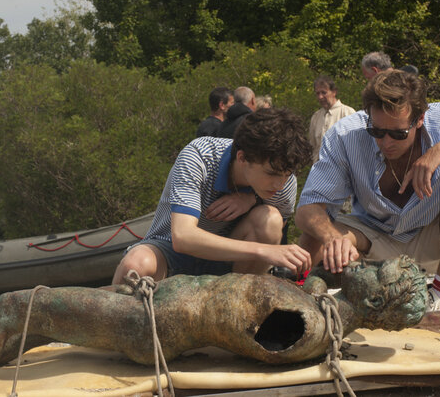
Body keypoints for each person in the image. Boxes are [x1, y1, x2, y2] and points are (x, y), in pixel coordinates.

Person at [0, 256, 426, 385]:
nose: (365, 263)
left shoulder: (307, 324)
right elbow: (319, 287)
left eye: (376, 270)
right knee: (39, 326)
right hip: (154, 304)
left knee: (15, 306)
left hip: (148, 324)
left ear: (379, 299)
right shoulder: (326, 310)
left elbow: (273, 340)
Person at [294, 70, 440, 308]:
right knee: (317, 231)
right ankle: (296, 302)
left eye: (398, 133)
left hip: (436, 236)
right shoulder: (345, 134)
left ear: (420, 119)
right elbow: (308, 208)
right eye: (377, 131)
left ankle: (439, 295)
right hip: (372, 235)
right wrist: (334, 239)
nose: (386, 142)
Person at [112, 108, 312, 285]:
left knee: (270, 220)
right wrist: (263, 250)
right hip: (171, 252)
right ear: (242, 157)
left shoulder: (284, 177)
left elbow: (276, 231)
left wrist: (251, 198)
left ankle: (240, 306)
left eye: (287, 175)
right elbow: (182, 237)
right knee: (136, 264)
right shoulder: (199, 156)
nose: (280, 185)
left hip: (228, 261)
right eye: (272, 174)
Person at [309, 75, 355, 163]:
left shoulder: (348, 113)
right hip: (320, 170)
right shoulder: (316, 117)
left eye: (324, 92)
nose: (320, 97)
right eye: (317, 93)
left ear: (334, 92)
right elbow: (313, 147)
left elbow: (355, 146)